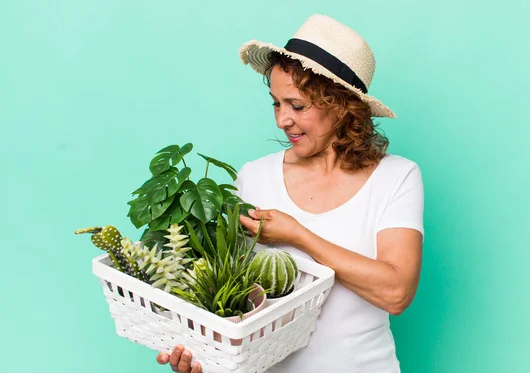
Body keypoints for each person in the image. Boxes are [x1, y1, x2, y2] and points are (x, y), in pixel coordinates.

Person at [156, 14, 424, 373]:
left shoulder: (395, 177)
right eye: (276, 103)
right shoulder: (253, 178)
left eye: (297, 106)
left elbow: (396, 292)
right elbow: (231, 302)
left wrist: (297, 235)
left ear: (342, 106)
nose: (282, 119)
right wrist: (201, 353)